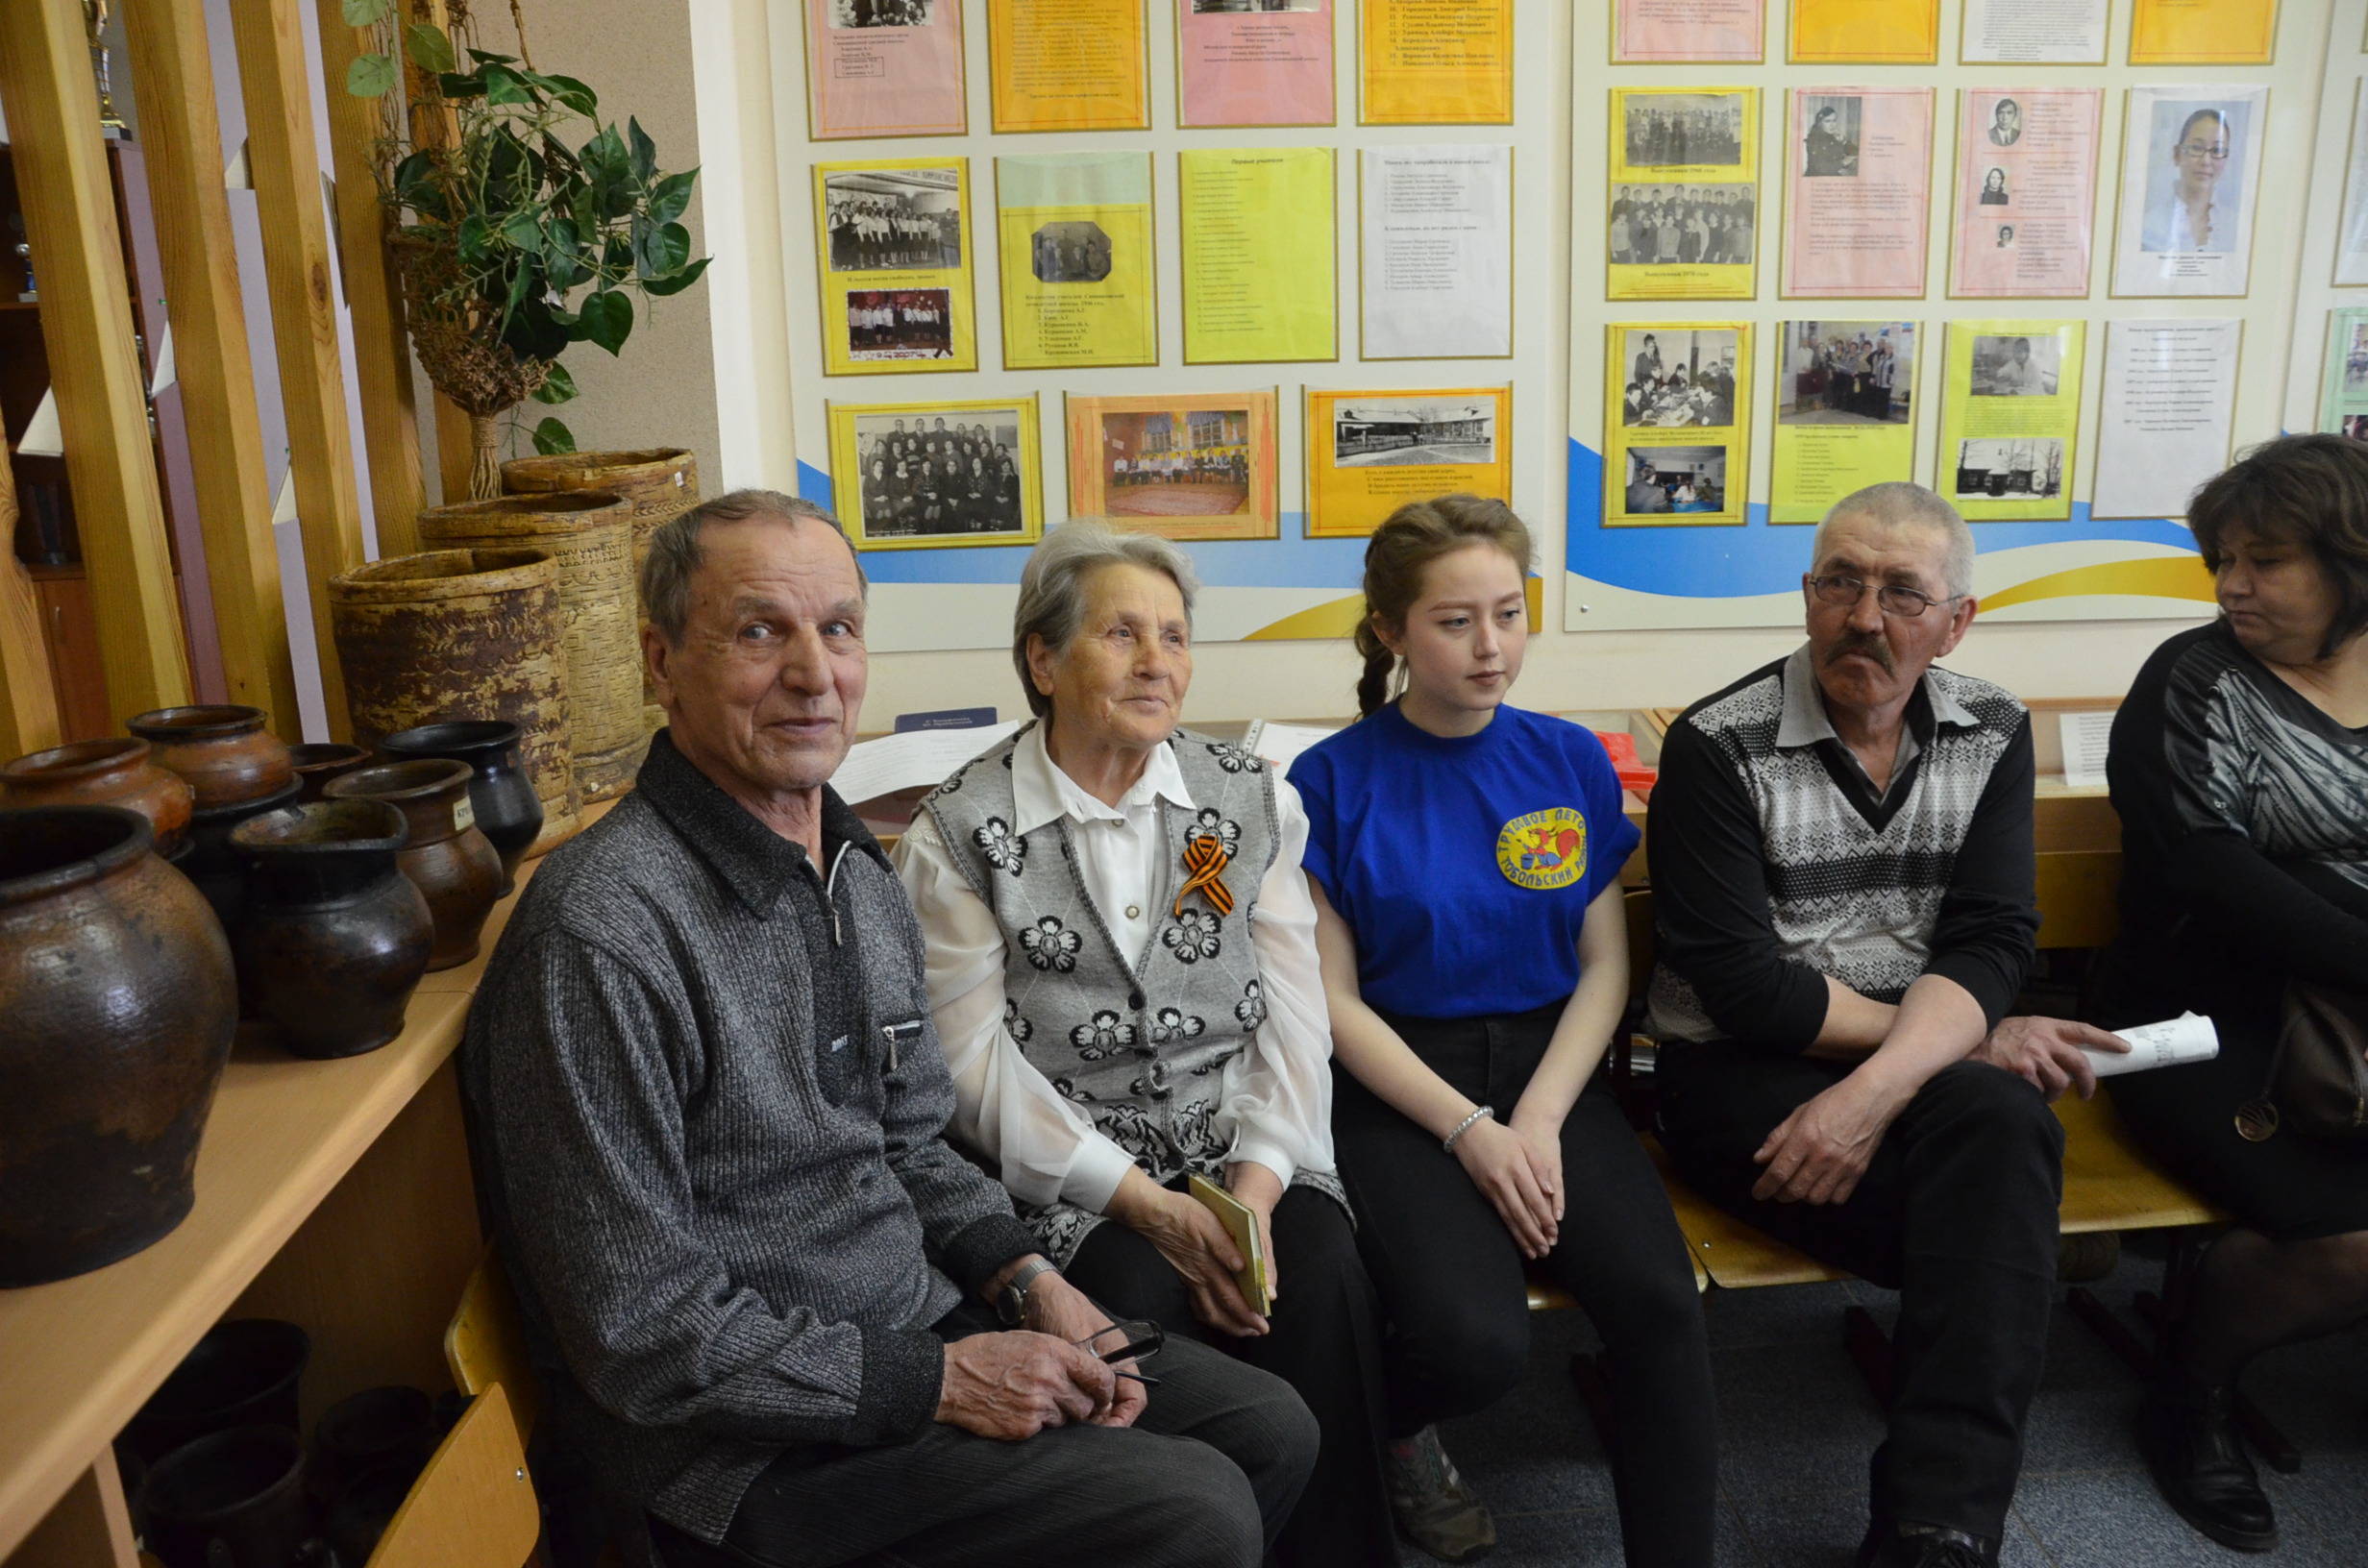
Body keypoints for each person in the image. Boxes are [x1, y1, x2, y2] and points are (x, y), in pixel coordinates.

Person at [458, 491, 1318, 1568]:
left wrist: (1032, 1283)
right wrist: (942, 1381)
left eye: (839, 629)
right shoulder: (599, 936)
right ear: (661, 660)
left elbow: (909, 1144)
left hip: (907, 1325)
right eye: (760, 631)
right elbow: (641, 1333)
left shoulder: (853, 871)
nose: (814, 674)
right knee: (1195, 1507)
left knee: (1270, 1429)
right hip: (739, 1455)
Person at [895, 523, 1398, 1568]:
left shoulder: (1251, 798)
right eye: (1121, 634)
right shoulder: (959, 833)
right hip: (1071, 1170)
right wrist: (1143, 1203)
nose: (1156, 661)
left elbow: (1295, 1013)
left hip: (1241, 1137)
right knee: (1141, 1301)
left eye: (1173, 636)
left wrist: (1255, 1195)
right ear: (1042, 659)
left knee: (1321, 1276)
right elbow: (970, 1067)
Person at [1645, 482, 2128, 1568]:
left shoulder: (1992, 728)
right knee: (1995, 1223)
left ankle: (1936, 1532)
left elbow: (1992, 938)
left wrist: (1875, 1090)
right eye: (1840, 583)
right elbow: (1745, 988)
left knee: (2007, 1133)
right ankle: (1944, 1505)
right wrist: (1956, 1042)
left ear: (1955, 622)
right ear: (1807, 594)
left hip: (1900, 1066)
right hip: (1738, 1069)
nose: (1864, 617)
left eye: (1903, 593)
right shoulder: (1719, 744)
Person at [1293, 496, 1718, 1567]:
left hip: (1550, 1070)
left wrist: (1535, 1118)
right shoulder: (1327, 783)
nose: (1491, 646)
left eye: (1508, 613)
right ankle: (1397, 1430)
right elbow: (1334, 1005)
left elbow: (1604, 964)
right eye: (1455, 622)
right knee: (1473, 1345)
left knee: (1661, 1305)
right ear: (1390, 630)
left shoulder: (1568, 760)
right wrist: (1469, 1131)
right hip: (1400, 1081)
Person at [2086, 435, 2368, 1555]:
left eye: (2267, 561)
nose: (2233, 587)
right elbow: (2213, 875)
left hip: (2348, 1018)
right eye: (2223, 562)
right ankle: (2191, 1385)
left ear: (2350, 561)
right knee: (2348, 1238)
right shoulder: (2193, 679)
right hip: (2196, 1021)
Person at [2141, 108, 2232, 253]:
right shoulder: (2149, 227)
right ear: (2177, 154)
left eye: (2216, 150)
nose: (2206, 161)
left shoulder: (2237, 226)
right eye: (2197, 148)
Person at [1805, 106, 1855, 177]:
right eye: (1827, 121)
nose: (1832, 125)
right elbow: (1819, 168)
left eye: (1834, 121)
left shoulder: (1835, 136)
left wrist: (1843, 141)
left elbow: (1856, 151)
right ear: (1819, 123)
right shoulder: (1814, 140)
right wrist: (1843, 163)